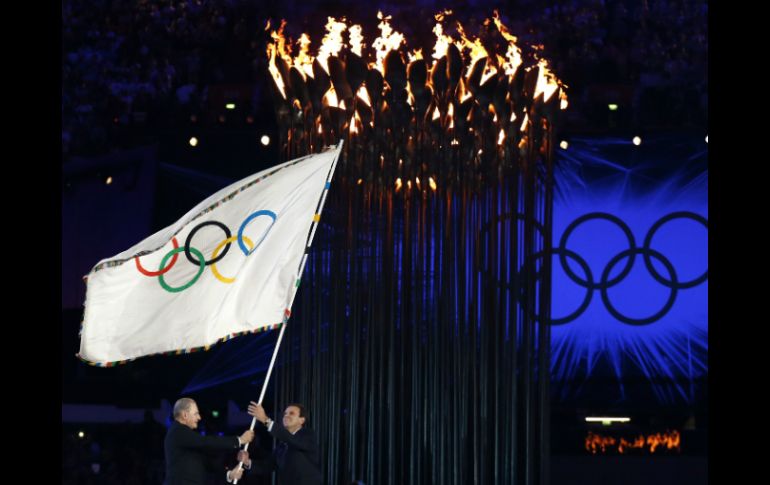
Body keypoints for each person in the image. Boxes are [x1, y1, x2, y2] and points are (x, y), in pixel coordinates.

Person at [164, 397, 254, 484]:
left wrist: (229, 475)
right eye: (196, 413)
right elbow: (207, 442)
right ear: (185, 415)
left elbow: (205, 463)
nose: (199, 417)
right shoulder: (178, 431)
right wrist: (239, 440)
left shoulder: (187, 438)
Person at [244, 401, 322, 485]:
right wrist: (247, 461)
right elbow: (267, 466)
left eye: (291, 413)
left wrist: (265, 420)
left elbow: (292, 440)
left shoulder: (308, 436)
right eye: (285, 413)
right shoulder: (282, 445)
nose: (286, 416)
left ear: (302, 420)